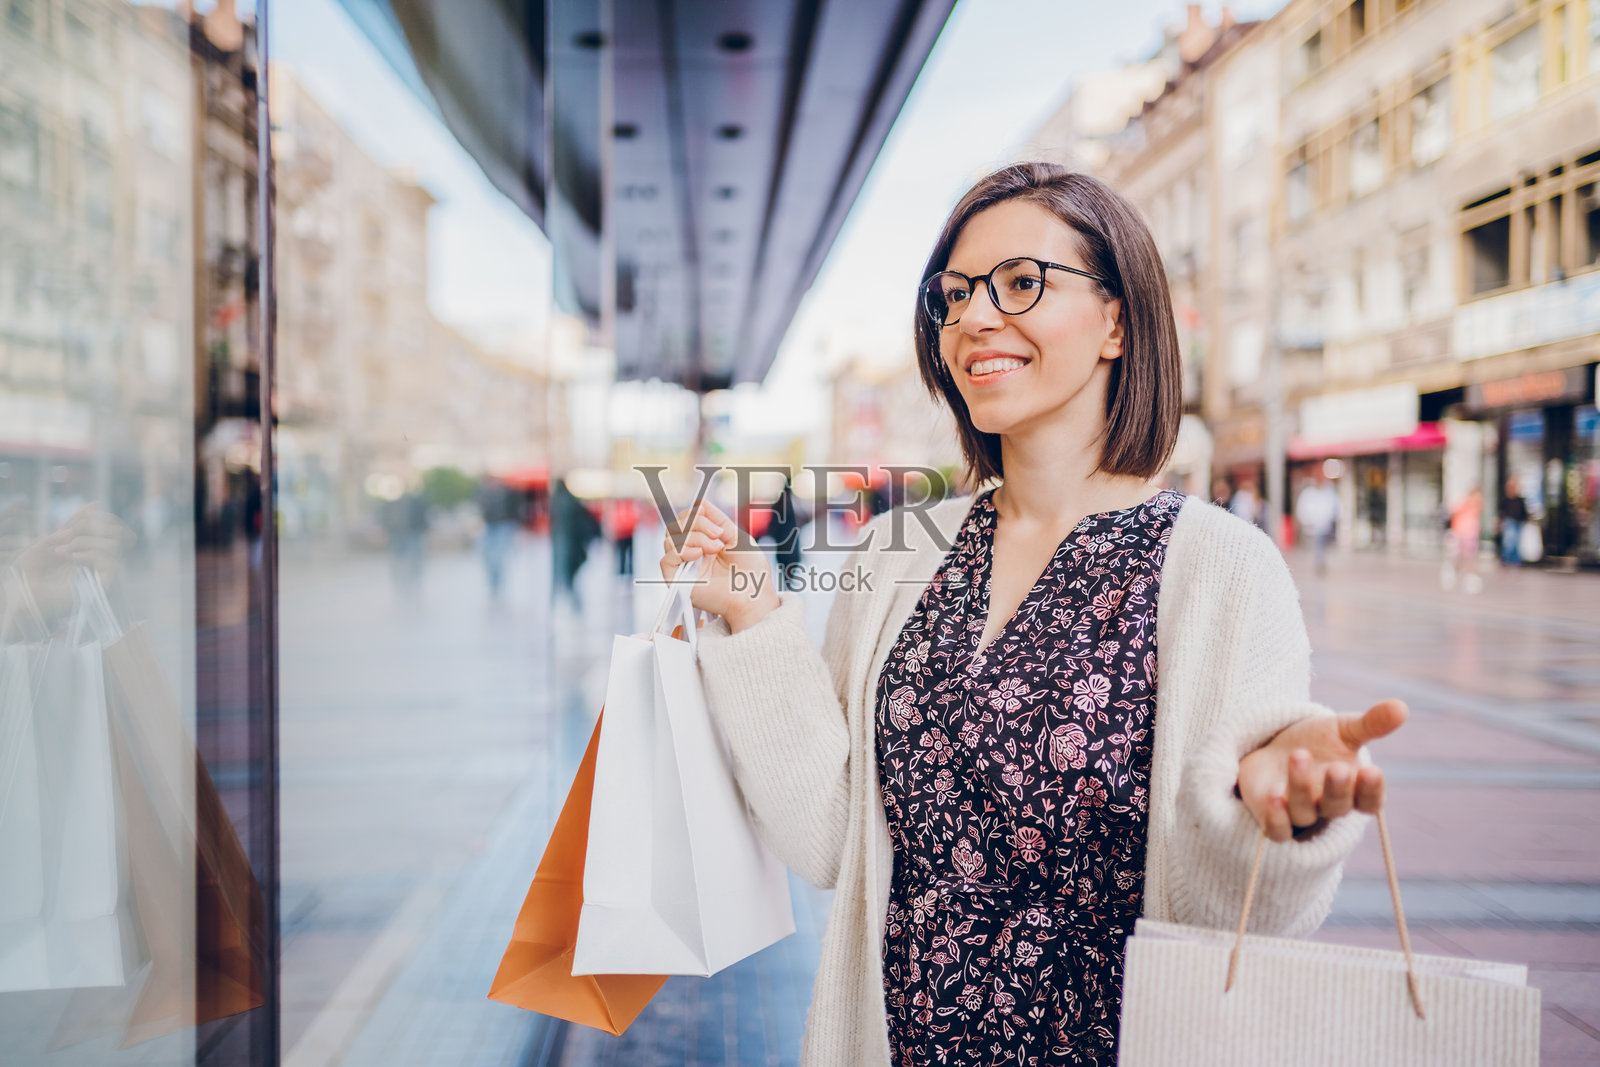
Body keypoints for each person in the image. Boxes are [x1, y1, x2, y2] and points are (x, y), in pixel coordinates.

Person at [660, 163, 1403, 1067]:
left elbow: (1227, 914)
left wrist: (1281, 813)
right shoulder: (900, 551)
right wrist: (754, 616)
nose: (975, 319)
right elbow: (832, 836)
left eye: (1021, 284)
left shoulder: (1217, 566)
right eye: (955, 294)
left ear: (1118, 321)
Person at [550, 478, 601, 611]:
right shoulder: (571, 500)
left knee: (564, 574)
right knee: (568, 575)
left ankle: (569, 603)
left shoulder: (558, 501)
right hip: (571, 542)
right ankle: (573, 603)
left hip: (565, 542)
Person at [478, 478, 522, 598]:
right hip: (491, 527)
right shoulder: (485, 494)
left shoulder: (505, 495)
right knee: (490, 557)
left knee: (499, 557)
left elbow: (512, 509)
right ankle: (494, 581)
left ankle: (498, 581)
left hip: (501, 527)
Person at [760, 476, 807, 590]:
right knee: (790, 573)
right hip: (793, 548)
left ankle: (787, 588)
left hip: (782, 548)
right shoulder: (796, 506)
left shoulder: (777, 506)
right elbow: (804, 521)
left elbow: (772, 528)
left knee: (784, 572)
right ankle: (789, 589)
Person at [1294, 472, 1339, 576]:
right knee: (1319, 544)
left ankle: (1321, 560)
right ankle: (1320, 561)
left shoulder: (1327, 493)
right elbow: (1304, 509)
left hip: (1325, 524)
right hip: (1315, 525)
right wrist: (1307, 520)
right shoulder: (1309, 493)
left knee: (1323, 545)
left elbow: (1333, 507)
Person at [1446, 485, 1484, 594]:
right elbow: (1453, 510)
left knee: (1470, 557)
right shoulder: (1463, 502)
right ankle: (1455, 571)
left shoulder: (1477, 504)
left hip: (1472, 534)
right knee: (1460, 556)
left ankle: (1470, 577)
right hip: (1460, 533)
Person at [1500, 478, 1528, 566]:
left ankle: (1515, 560)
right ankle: (1506, 558)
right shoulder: (1506, 499)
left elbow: (1524, 511)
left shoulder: (1520, 499)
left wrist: (1525, 520)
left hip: (1519, 522)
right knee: (1509, 541)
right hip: (1510, 521)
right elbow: (1502, 511)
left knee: (1516, 542)